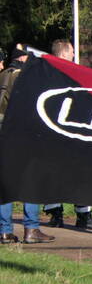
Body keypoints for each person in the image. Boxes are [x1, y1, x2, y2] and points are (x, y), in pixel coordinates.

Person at [42, 39, 92, 231]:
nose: (75, 55)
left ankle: (73, 214)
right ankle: (68, 214)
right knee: (62, 173)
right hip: (62, 129)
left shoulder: (47, 73)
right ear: (64, 53)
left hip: (67, 130)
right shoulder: (57, 73)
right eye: (72, 52)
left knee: (75, 173)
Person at [0, 45, 55, 244]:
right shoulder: (22, 76)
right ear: (24, 58)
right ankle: (31, 229)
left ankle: (4, 231)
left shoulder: (2, 75)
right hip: (21, 134)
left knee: (5, 183)